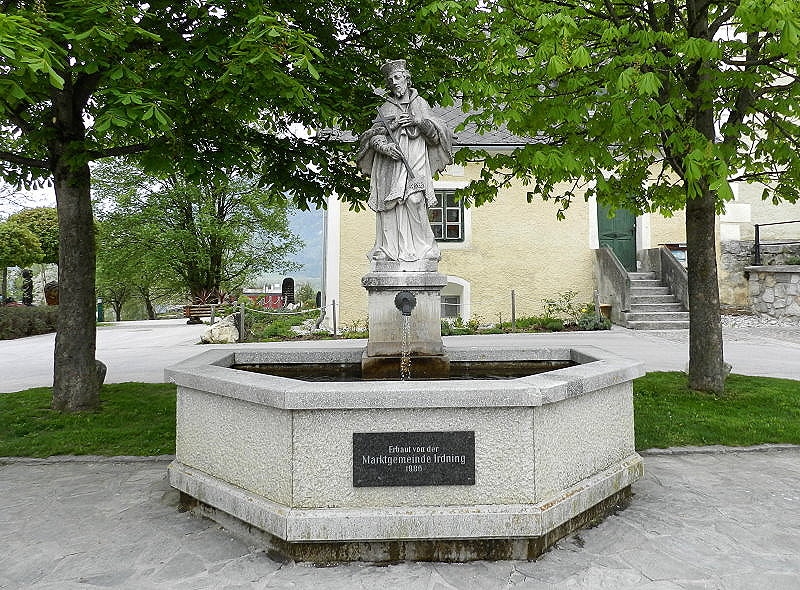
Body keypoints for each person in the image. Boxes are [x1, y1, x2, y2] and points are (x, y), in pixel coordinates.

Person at [356, 59, 454, 262]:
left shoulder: (420, 103)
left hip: (415, 160)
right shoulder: (385, 108)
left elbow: (436, 136)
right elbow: (374, 135)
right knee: (390, 206)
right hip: (391, 165)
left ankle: (426, 249)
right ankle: (389, 251)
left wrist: (417, 120)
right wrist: (385, 146)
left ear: (407, 79)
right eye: (390, 79)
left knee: (415, 200)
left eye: (397, 77)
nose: (394, 82)